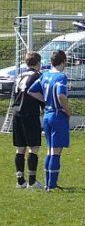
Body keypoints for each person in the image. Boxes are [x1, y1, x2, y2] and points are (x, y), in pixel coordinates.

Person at [28, 50, 70, 192]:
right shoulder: (61, 77)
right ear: (63, 61)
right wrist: (67, 109)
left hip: (47, 115)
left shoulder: (45, 76)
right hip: (58, 115)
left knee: (50, 149)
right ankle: (52, 185)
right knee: (56, 151)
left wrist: (45, 101)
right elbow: (61, 95)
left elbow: (31, 91)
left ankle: (48, 183)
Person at [12, 52, 45, 189]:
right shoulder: (38, 76)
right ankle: (32, 181)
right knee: (34, 146)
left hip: (16, 112)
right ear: (38, 63)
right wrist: (44, 106)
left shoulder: (19, 76)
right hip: (29, 113)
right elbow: (40, 93)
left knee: (21, 148)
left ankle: (20, 181)